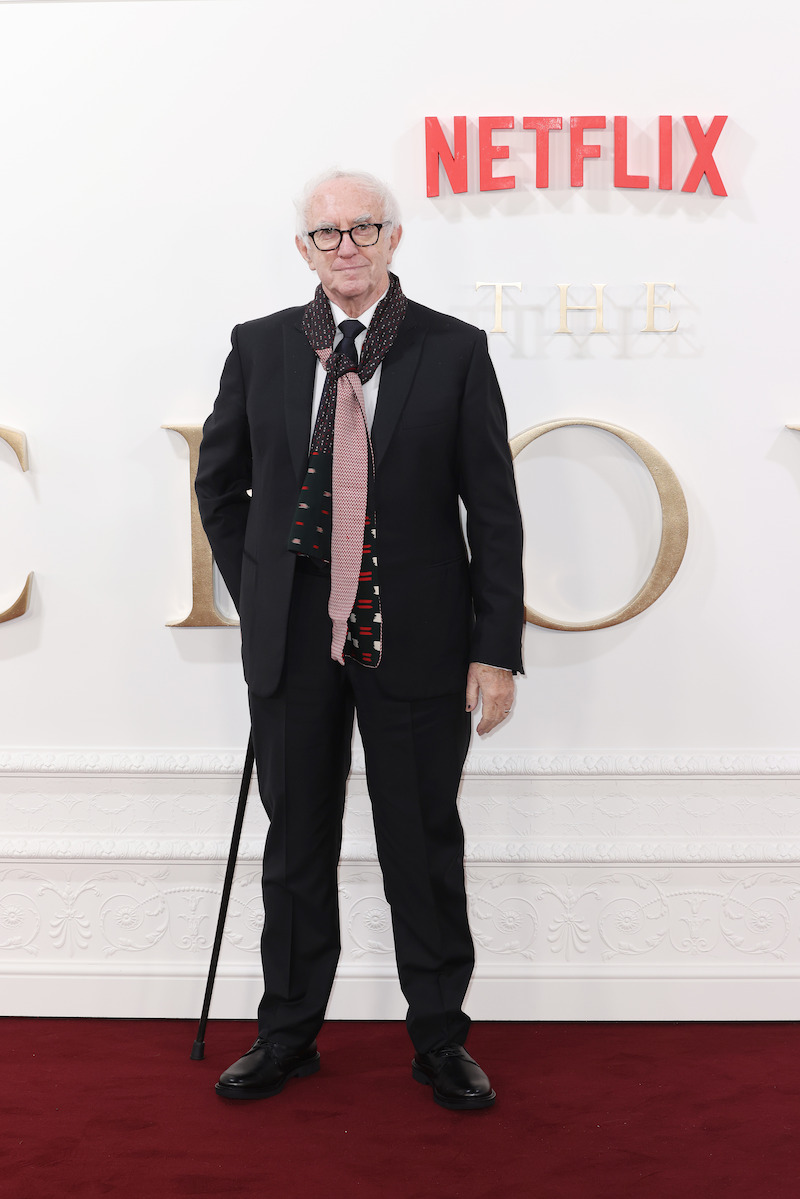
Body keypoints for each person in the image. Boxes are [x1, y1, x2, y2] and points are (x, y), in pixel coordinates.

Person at [195, 169, 524, 1111]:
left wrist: (493, 648)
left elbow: (493, 514)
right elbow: (219, 485)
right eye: (327, 233)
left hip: (416, 636)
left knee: (421, 842)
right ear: (304, 248)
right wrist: (257, 589)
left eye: (363, 228)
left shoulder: (453, 350)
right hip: (293, 638)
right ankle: (288, 1032)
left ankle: (439, 1041)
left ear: (394, 236)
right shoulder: (258, 348)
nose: (346, 246)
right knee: (296, 842)